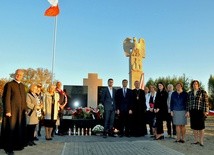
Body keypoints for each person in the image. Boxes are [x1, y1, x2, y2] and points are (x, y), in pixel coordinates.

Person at [0, 69, 27, 154]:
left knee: (19, 129)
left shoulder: (23, 86)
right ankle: (8, 148)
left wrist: (25, 109)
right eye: (17, 74)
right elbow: (6, 98)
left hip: (21, 112)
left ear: (22, 76)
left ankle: (17, 145)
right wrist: (8, 110)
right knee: (10, 129)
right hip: (12, 111)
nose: (18, 75)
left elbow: (24, 99)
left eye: (20, 75)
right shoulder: (9, 84)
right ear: (15, 74)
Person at [186, 80, 209, 146]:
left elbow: (206, 102)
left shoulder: (203, 92)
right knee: (194, 127)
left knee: (201, 127)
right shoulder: (190, 93)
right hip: (192, 112)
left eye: (196, 84)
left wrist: (205, 111)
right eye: (193, 84)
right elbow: (188, 103)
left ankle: (201, 141)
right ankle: (196, 140)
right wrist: (187, 111)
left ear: (198, 85)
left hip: (200, 111)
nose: (195, 85)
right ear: (192, 85)